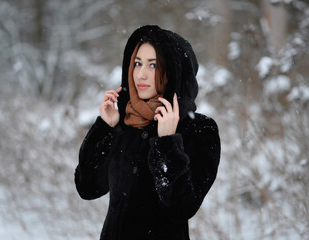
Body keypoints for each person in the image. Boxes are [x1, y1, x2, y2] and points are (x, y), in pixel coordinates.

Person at [74, 25, 221, 240]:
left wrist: (168, 143)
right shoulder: (124, 124)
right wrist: (106, 128)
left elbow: (182, 207)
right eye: (137, 63)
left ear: (174, 70)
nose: (141, 74)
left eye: (153, 65)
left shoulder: (199, 130)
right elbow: (87, 188)